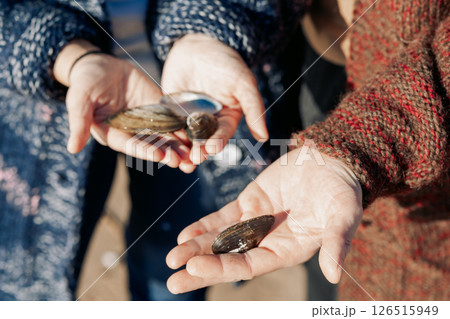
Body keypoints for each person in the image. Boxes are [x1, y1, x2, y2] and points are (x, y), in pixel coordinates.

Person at [0, 0, 310, 300]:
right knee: (28, 276)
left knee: (174, 263)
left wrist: (210, 27)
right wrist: (66, 56)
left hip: (204, 86)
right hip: (45, 112)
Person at [165, 0, 450, 300]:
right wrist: (210, 27)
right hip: (327, 62)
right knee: (322, 240)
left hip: (426, 204)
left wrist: (358, 142)